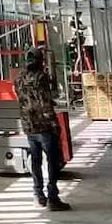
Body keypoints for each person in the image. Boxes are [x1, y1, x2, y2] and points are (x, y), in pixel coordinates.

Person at [14, 48, 71, 211]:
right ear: (40, 60)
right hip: (44, 126)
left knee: (36, 160)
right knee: (53, 160)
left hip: (29, 126)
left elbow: (24, 100)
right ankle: (53, 197)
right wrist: (54, 125)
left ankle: (38, 196)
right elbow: (44, 101)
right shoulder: (41, 76)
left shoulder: (18, 78)